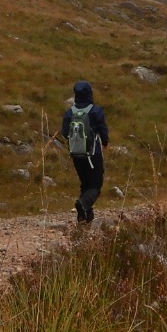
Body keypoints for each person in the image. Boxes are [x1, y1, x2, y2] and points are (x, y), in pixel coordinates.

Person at [60, 80, 110, 224]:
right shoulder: (96, 111)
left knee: (85, 183)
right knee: (95, 184)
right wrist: (105, 142)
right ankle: (83, 204)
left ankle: (84, 216)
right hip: (93, 154)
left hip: (76, 154)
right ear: (89, 93)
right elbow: (103, 130)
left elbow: (64, 133)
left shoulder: (69, 112)